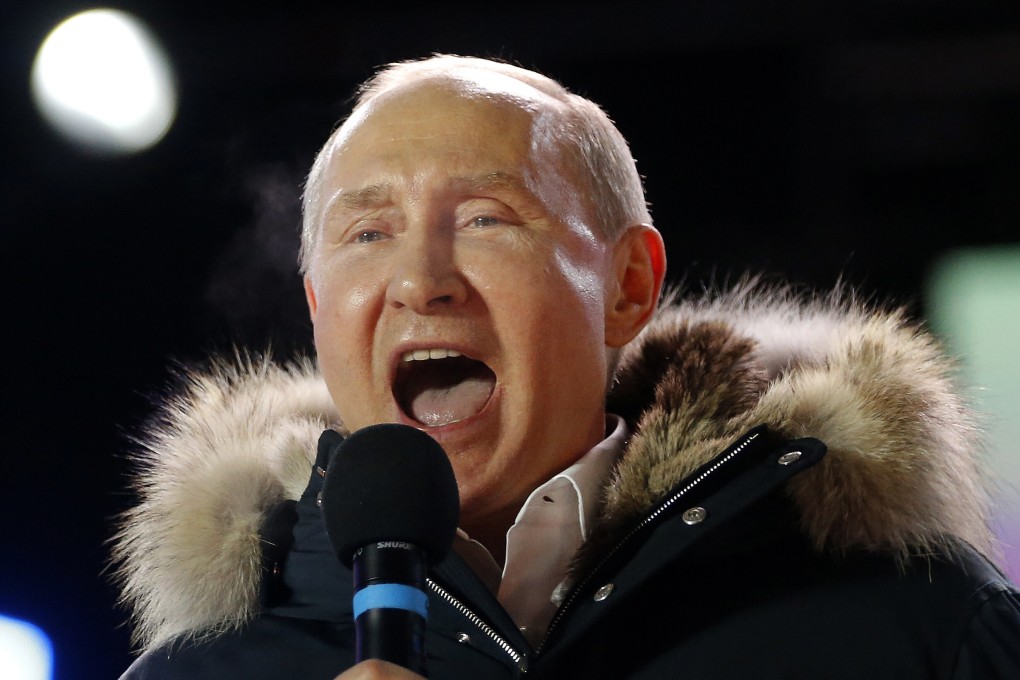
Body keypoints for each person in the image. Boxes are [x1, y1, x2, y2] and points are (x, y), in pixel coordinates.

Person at [112, 54, 1020, 679]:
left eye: (485, 219)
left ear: (627, 286)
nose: (421, 281)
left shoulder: (921, 631)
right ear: (318, 312)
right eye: (368, 233)